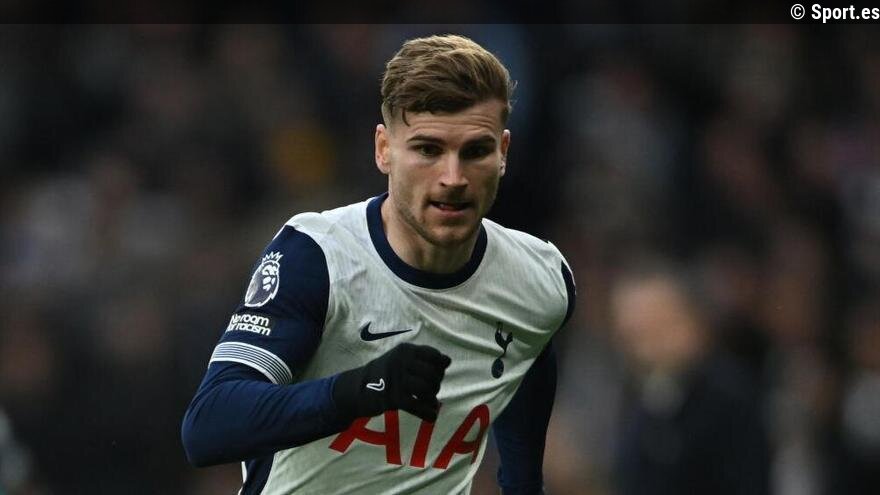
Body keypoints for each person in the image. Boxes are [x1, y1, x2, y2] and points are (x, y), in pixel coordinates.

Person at [181, 34, 576, 494]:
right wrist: (360, 389)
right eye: (428, 150)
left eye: (475, 152)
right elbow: (208, 426)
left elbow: (527, 364)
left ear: (503, 152)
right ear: (384, 149)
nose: (453, 178)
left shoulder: (541, 281)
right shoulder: (319, 257)